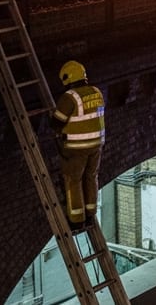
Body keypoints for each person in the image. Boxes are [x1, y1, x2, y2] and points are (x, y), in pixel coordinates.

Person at [51, 60, 106, 229]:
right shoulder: (96, 92)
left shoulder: (70, 97)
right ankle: (90, 214)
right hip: (97, 145)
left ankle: (76, 220)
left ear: (68, 78)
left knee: (73, 181)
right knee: (91, 177)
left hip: (76, 148)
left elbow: (57, 122)